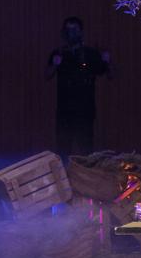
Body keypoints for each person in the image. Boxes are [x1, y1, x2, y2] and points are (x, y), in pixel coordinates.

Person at [46, 18, 111, 157]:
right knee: (63, 148)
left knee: (85, 148)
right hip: (65, 110)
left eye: (74, 30)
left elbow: (108, 74)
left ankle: (85, 177)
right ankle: (64, 177)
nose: (71, 34)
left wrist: (107, 61)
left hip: (85, 109)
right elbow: (47, 75)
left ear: (81, 32)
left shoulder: (90, 53)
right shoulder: (59, 53)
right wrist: (55, 64)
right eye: (68, 30)